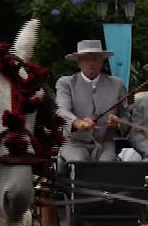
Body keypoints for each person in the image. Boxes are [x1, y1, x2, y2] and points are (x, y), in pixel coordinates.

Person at [55, 40, 128, 170]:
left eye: (95, 59)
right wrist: (76, 122)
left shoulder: (117, 84)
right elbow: (61, 110)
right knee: (79, 164)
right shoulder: (66, 83)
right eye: (86, 59)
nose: (91, 63)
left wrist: (118, 123)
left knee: (108, 166)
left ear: (102, 61)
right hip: (74, 142)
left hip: (104, 143)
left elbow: (126, 116)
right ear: (79, 62)